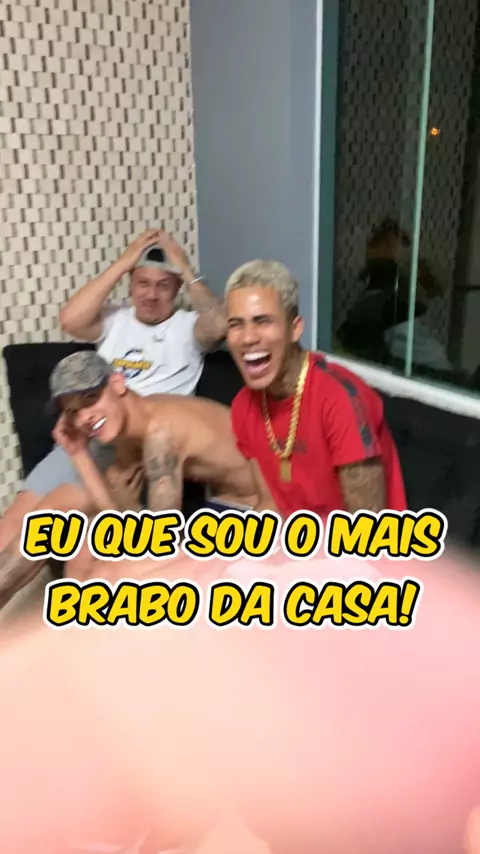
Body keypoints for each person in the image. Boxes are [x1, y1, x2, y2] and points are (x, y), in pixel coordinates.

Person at [0, 230, 226, 600]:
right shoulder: (115, 319)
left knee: (54, 523)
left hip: (134, 445)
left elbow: (219, 326)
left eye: (162, 285)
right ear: (130, 284)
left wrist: (185, 266)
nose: (151, 294)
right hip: (85, 432)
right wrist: (125, 261)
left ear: (176, 289)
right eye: (142, 283)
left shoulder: (187, 326)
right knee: (12, 521)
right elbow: (70, 318)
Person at [0, 350, 258, 593]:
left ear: (117, 384)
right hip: (212, 501)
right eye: (73, 412)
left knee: (107, 572)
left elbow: (157, 543)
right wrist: (78, 453)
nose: (85, 417)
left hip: (255, 509)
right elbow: (113, 514)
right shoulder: (128, 428)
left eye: (90, 398)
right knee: (54, 527)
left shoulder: (162, 434)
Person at [224, 260, 407, 518]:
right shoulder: (244, 406)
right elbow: (270, 506)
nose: (248, 338)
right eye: (236, 324)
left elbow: (368, 528)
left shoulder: (338, 399)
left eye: (262, 321)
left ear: (295, 329)